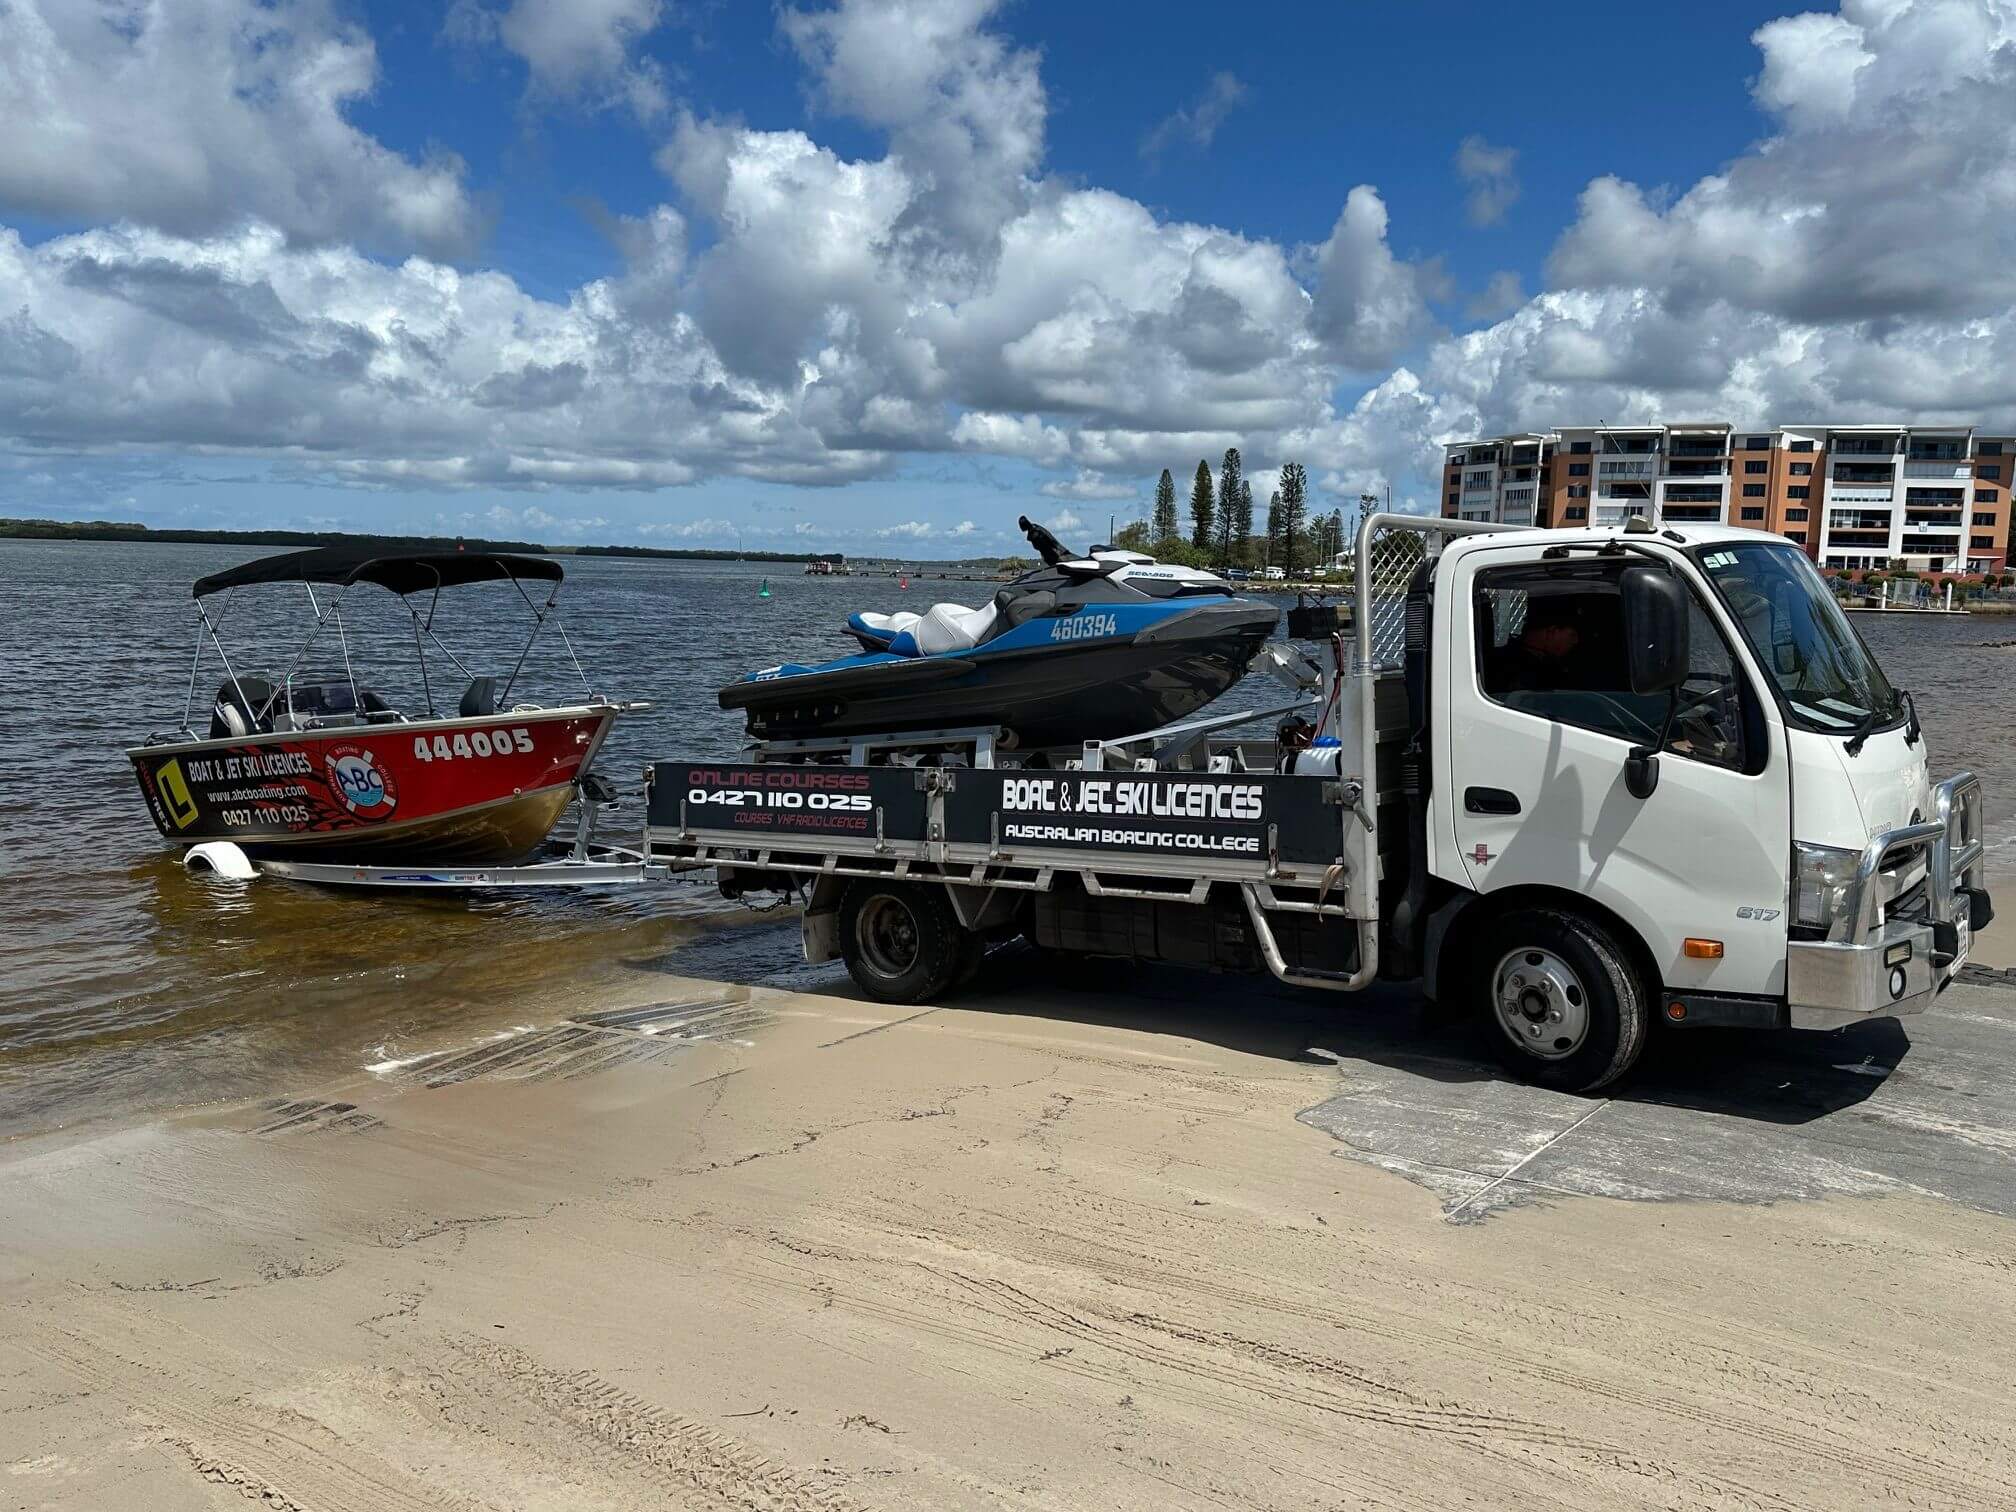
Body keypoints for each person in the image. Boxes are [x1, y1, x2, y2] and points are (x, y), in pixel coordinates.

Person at [1489, 596, 1586, 693]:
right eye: (1572, 635)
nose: (1575, 641)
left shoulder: (1512, 657)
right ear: (1552, 631)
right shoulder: (1523, 670)